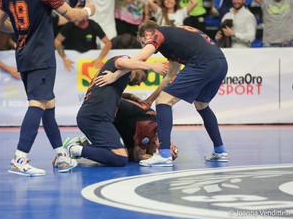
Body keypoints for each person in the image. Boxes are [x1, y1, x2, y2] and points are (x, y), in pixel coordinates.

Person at [95, 20, 229, 166]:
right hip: (220, 63)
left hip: (203, 63)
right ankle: (220, 150)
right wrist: (151, 99)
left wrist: (114, 76)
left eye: (143, 42)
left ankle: (164, 155)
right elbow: (170, 76)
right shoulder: (173, 40)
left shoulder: (157, 34)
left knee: (164, 101)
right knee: (202, 105)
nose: (145, 45)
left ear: (146, 34)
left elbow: (140, 58)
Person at [0, 0, 95, 176]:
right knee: (38, 103)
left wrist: (19, 28)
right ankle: (19, 158)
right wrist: (88, 11)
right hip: (41, 55)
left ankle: (61, 155)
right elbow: (71, 15)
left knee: (48, 104)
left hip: (24, 55)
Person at [64, 55, 168, 167]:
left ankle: (86, 145)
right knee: (120, 158)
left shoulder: (117, 79)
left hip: (100, 118)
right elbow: (121, 62)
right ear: (138, 68)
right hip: (95, 118)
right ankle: (73, 149)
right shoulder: (122, 63)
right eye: (142, 78)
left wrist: (127, 95)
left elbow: (103, 92)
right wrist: (152, 66)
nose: (138, 83)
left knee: (125, 153)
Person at [114, 95, 179, 162]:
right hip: (111, 114)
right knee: (124, 155)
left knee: (133, 151)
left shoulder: (160, 129)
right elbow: (139, 156)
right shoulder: (148, 128)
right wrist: (160, 157)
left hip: (125, 117)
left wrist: (167, 146)